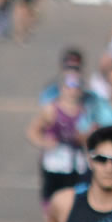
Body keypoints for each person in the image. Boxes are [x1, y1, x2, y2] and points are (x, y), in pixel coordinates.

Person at [27, 73, 89, 209]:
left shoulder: (85, 112)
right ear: (62, 88)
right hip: (54, 163)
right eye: (69, 87)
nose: (72, 91)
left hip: (76, 164)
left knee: (75, 202)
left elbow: (90, 138)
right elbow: (33, 131)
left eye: (76, 87)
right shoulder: (51, 109)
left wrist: (83, 139)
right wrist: (44, 143)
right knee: (52, 201)